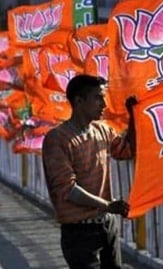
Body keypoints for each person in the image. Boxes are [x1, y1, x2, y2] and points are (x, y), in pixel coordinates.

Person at [42, 75, 137, 269]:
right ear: (79, 101)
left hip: (106, 225)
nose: (104, 104)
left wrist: (134, 117)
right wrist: (108, 205)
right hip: (79, 232)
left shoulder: (102, 131)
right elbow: (68, 189)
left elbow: (127, 150)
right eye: (98, 98)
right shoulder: (58, 139)